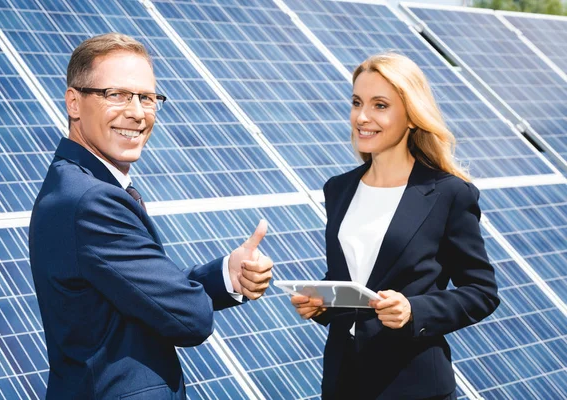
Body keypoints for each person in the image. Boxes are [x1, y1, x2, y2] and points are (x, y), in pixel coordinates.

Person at [29, 33, 273, 399]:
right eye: (117, 95)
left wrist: (227, 276)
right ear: (74, 103)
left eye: (147, 97)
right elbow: (189, 318)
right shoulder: (92, 202)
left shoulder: (76, 187)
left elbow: (138, 295)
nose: (137, 112)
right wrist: (189, 299)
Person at [290, 52, 500, 399]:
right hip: (343, 383)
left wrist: (413, 309)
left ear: (412, 117)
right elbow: (355, 281)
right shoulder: (338, 189)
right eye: (357, 102)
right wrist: (323, 304)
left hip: (414, 385)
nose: (362, 117)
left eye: (380, 105)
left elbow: (481, 292)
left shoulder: (448, 194)